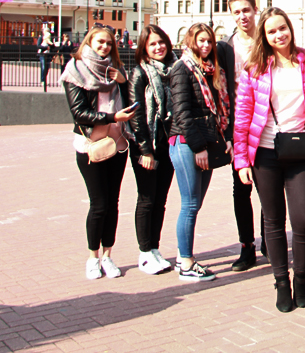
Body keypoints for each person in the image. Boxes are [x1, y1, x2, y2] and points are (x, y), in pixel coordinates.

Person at [233, 7, 305, 312]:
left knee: (302, 219)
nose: (278, 35)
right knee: (273, 221)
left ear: (290, 28)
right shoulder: (255, 68)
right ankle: (281, 282)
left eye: (282, 28)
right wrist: (241, 160)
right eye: (271, 31)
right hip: (265, 153)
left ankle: (301, 278)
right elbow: (242, 116)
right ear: (264, 35)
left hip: (301, 151)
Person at [61, 26, 136, 280]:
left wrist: (124, 83)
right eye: (100, 42)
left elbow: (129, 103)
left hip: (118, 143)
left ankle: (108, 255)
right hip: (91, 146)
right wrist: (112, 117)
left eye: (109, 43)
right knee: (99, 203)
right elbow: (79, 113)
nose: (104, 47)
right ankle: (92, 258)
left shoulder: (116, 71)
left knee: (113, 203)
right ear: (89, 43)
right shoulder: (75, 70)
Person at [169, 22, 232, 283]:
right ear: (191, 42)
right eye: (201, 41)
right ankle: (186, 263)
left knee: (196, 203)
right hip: (187, 143)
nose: (205, 45)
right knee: (190, 203)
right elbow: (182, 112)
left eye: (209, 41)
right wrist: (199, 148)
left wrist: (225, 137)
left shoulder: (211, 70)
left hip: (206, 140)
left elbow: (220, 106)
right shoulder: (182, 68)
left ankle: (182, 255)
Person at [215, 0, 262, 272]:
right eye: (236, 12)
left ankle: (271, 240)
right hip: (239, 126)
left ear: (255, 10)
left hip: (268, 124)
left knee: (270, 187)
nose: (242, 16)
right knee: (241, 189)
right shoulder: (226, 47)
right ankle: (247, 246)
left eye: (246, 10)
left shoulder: (267, 38)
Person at [127, 24, 176, 275]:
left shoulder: (174, 69)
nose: (158, 47)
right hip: (146, 146)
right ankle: (144, 252)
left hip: (168, 145)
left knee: (161, 200)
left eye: (161, 42)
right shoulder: (140, 73)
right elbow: (136, 116)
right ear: (144, 49)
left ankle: (155, 248)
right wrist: (145, 150)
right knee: (147, 199)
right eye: (152, 44)